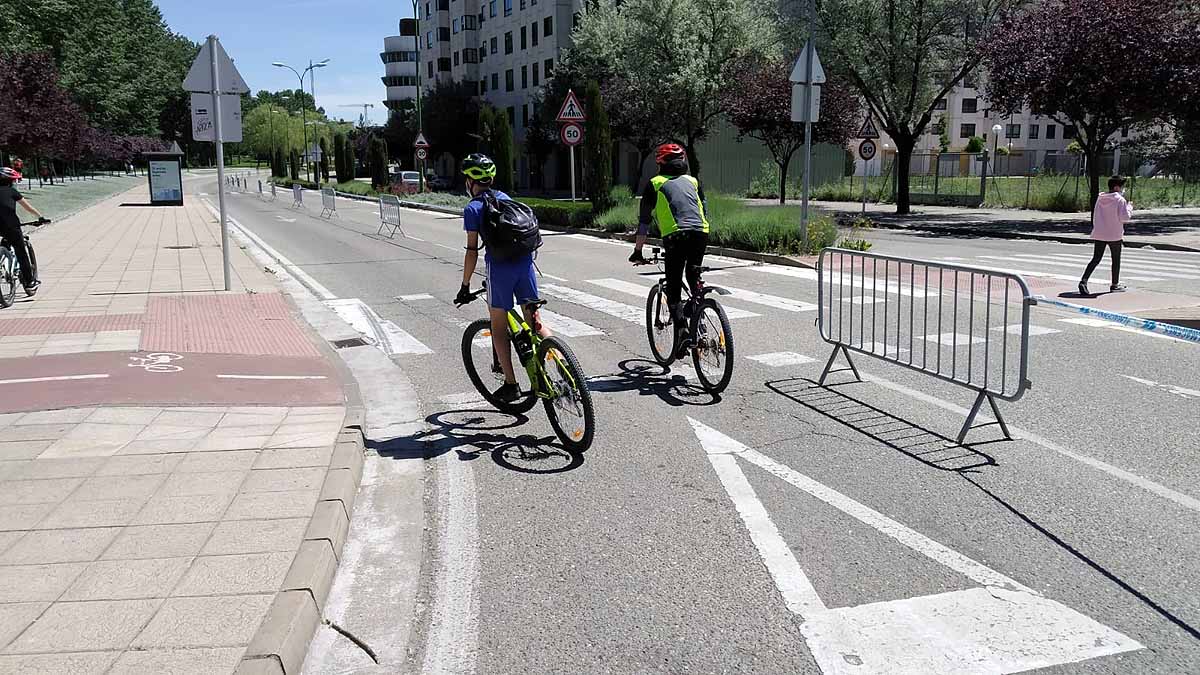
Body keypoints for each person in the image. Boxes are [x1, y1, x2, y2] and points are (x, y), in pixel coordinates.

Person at [455, 153, 550, 402]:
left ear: (469, 181)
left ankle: (511, 384)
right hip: (526, 264)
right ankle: (561, 362)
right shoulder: (505, 198)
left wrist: (465, 286)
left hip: (500, 268)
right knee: (535, 320)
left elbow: (472, 251)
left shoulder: (473, 208)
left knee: (498, 325)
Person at [629, 143, 710, 353]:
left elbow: (644, 222)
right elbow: (704, 207)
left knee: (673, 289)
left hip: (676, 235)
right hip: (701, 232)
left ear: (660, 163)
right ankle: (699, 314)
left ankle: (683, 332)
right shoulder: (693, 181)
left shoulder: (654, 183)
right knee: (693, 274)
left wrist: (638, 251)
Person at [1079, 175, 1133, 296]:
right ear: (1116, 187)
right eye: (1122, 186)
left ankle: (1084, 281)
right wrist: (1130, 208)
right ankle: (1115, 285)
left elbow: (1096, 215)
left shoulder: (1100, 198)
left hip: (1100, 232)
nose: (1123, 189)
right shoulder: (1120, 200)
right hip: (1114, 234)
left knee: (1096, 258)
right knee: (1116, 259)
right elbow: (1125, 218)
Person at [0, 167, 43, 296]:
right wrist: (40, 217)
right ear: (10, 181)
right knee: (20, 251)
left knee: (5, 244)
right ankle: (30, 283)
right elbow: (27, 207)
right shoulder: (12, 191)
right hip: (10, 225)